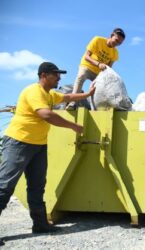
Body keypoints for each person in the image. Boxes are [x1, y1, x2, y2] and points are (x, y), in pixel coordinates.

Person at [0, 62, 96, 244]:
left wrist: (88, 94)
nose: (59, 78)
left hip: (38, 145)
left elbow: (68, 96)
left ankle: (40, 224)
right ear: (43, 75)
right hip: (19, 142)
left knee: (37, 186)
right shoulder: (34, 91)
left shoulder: (50, 94)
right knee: (5, 186)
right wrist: (73, 126)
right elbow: (46, 115)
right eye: (55, 75)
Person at [66, 27, 125, 110]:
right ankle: (72, 103)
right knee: (81, 76)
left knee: (102, 88)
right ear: (112, 35)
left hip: (98, 73)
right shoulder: (98, 40)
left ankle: (97, 108)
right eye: (116, 40)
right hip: (87, 66)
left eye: (119, 43)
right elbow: (86, 56)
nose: (117, 44)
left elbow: (109, 67)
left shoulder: (115, 53)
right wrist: (98, 64)